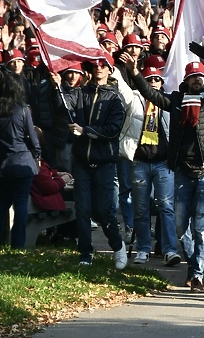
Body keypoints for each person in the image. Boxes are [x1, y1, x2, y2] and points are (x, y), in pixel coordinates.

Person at [125, 54, 204, 292]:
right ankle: (194, 265)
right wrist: (134, 72)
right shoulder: (176, 100)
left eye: (200, 77)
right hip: (182, 170)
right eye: (192, 78)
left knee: (201, 227)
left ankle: (197, 274)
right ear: (185, 80)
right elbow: (152, 94)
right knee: (181, 228)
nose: (196, 81)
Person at [51, 54, 127, 268]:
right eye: (96, 65)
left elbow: (113, 130)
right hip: (81, 162)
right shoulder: (81, 92)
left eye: (104, 65)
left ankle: (117, 245)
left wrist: (86, 131)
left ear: (110, 70)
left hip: (104, 162)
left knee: (104, 210)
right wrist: (59, 86)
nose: (99, 69)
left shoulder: (115, 98)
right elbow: (64, 105)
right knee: (82, 209)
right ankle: (85, 252)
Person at [113, 63, 180, 267]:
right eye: (149, 80)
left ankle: (169, 250)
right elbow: (122, 89)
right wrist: (115, 68)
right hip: (140, 161)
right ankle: (143, 248)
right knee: (141, 208)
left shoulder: (167, 101)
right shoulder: (134, 99)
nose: (153, 83)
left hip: (163, 163)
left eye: (157, 80)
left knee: (166, 207)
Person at [0, 71, 41, 248]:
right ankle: (18, 243)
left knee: (2, 204)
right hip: (23, 162)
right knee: (21, 204)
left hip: (3, 164)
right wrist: (37, 155)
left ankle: (2, 241)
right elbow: (33, 139)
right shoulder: (23, 110)